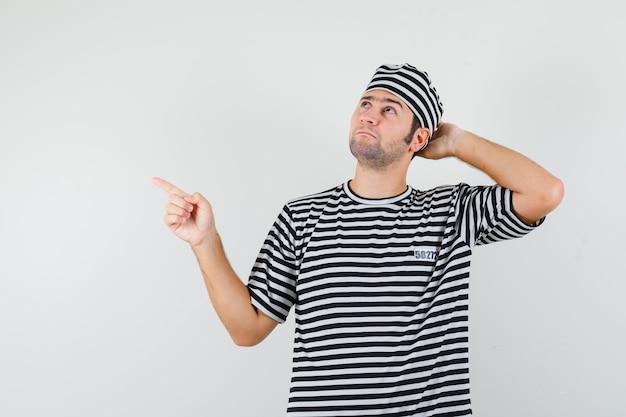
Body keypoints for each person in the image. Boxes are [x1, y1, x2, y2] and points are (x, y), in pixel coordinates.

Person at [152, 63, 564, 416]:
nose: (369, 115)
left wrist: (457, 142)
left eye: (390, 110)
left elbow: (545, 193)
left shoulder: (451, 213)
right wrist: (204, 241)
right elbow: (247, 330)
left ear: (418, 139)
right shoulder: (302, 217)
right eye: (366, 103)